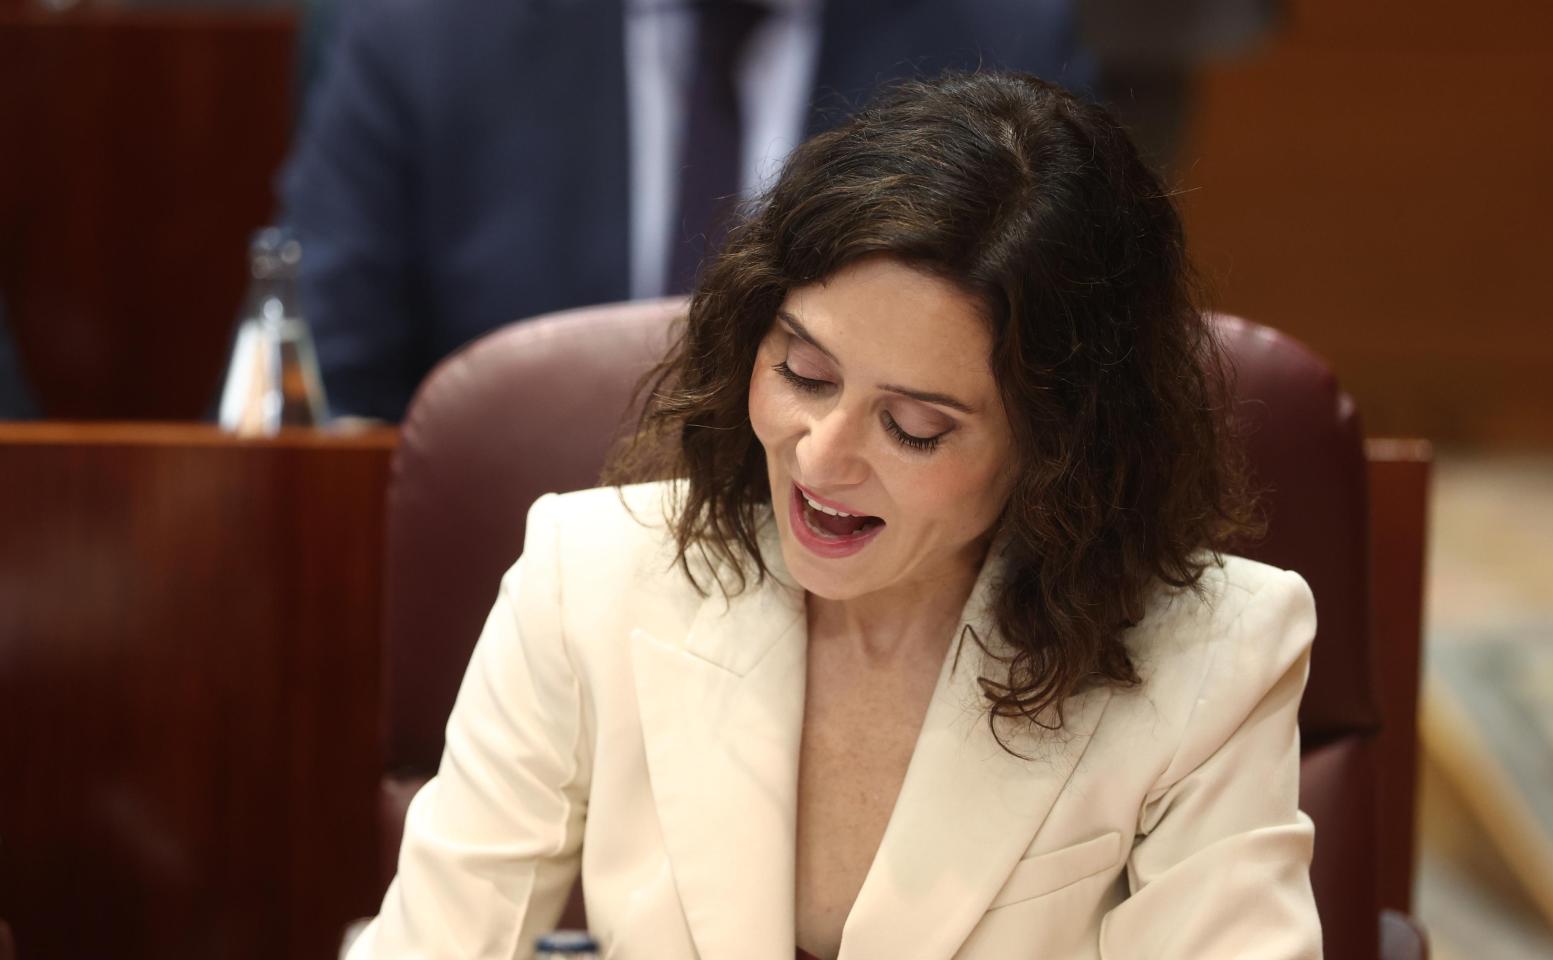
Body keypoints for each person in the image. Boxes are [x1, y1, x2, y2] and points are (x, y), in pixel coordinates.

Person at [348, 71, 1321, 959]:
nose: (820, 454)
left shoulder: (1212, 657)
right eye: (803, 374)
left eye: (911, 428)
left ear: (1054, 447)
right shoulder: (586, 575)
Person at [278, 0, 1093, 422]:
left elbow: (1066, 381)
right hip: (503, 593)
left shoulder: (1001, 39)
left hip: (882, 599)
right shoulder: (427, 35)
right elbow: (317, 395)